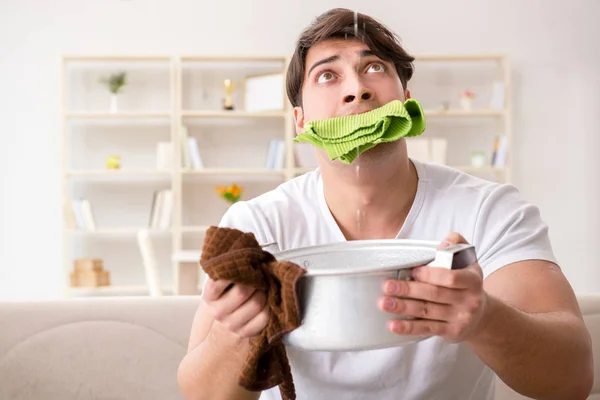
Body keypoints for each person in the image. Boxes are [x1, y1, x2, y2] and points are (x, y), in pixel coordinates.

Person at [177, 8, 593, 400]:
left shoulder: (489, 211)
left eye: (373, 68)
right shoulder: (256, 226)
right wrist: (233, 334)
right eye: (327, 76)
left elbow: (574, 378)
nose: (356, 90)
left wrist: (485, 318)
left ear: (406, 97)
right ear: (300, 120)